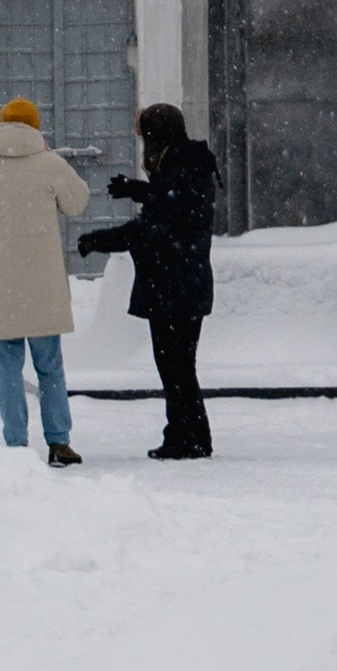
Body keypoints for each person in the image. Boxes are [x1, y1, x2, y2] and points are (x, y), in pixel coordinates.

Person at [0, 97, 90, 464]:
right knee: (50, 366)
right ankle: (58, 442)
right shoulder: (50, 164)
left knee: (7, 368)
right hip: (42, 286)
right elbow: (77, 202)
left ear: (1, 124)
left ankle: (15, 445)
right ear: (35, 127)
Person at [80, 102, 219, 459]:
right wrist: (139, 189)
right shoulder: (191, 162)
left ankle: (186, 438)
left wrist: (99, 240)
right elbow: (177, 200)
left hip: (174, 284)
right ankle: (191, 435)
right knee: (180, 365)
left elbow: (151, 228)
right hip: (187, 280)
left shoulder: (177, 170)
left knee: (174, 366)